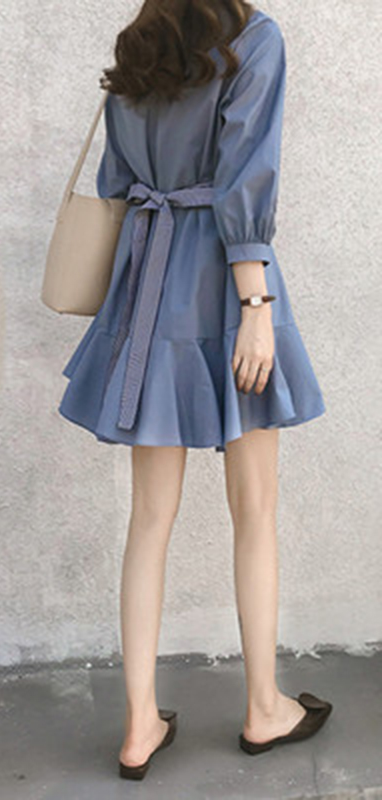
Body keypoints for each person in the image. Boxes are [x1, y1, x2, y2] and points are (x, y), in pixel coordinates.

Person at [58, 0, 331, 780]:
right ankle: (263, 707)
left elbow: (118, 180)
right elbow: (247, 175)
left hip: (148, 288)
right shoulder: (254, 39)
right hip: (229, 285)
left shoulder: (138, 43)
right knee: (256, 508)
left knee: (149, 518)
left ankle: (139, 723)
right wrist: (256, 308)